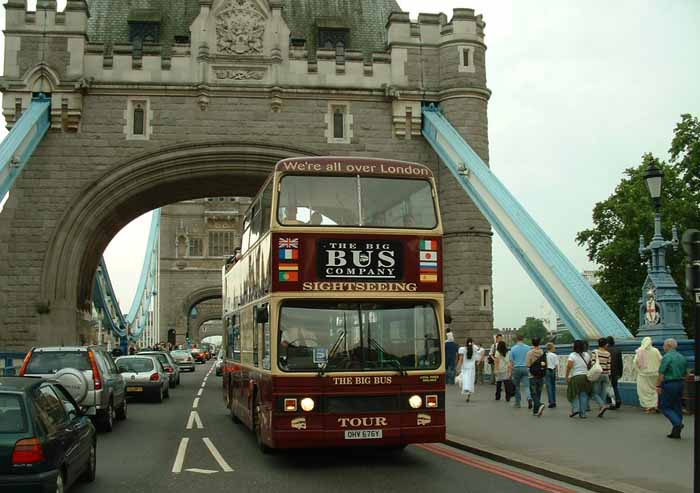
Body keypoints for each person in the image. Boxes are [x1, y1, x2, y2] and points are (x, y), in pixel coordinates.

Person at [656, 338, 688, 439]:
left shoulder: (667, 357)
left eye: (664, 345)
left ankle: (677, 423)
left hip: (669, 384)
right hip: (680, 383)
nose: (663, 347)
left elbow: (661, 373)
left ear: (668, 346)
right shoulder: (682, 357)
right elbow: (685, 374)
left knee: (665, 406)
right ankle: (676, 431)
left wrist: (658, 386)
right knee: (677, 406)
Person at [633, 336, 662, 413]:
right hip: (655, 374)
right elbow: (661, 359)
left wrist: (638, 370)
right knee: (653, 390)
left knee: (644, 391)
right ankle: (654, 405)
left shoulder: (640, 351)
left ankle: (648, 406)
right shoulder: (655, 350)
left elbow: (635, 362)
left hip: (644, 374)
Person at [566, 340, 592, 419]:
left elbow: (569, 367)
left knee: (572, 394)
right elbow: (590, 366)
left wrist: (566, 376)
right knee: (583, 395)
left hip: (576, 377)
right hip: (585, 377)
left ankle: (576, 409)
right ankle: (583, 413)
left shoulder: (572, 355)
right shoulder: (587, 355)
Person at [508, 335, 532, 408]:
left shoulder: (513, 349)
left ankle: (518, 403)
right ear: (523, 339)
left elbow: (511, 362)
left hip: (516, 368)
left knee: (517, 386)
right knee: (527, 386)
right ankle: (529, 398)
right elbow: (530, 359)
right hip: (525, 368)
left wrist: (510, 372)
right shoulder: (528, 348)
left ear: (516, 340)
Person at [590, 338, 611, 417]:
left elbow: (593, 363)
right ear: (605, 344)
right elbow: (608, 366)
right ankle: (601, 409)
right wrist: (609, 375)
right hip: (605, 375)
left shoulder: (594, 352)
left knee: (594, 393)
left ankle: (602, 406)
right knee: (603, 393)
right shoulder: (608, 353)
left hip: (597, 374)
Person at [526, 337, 547, 417]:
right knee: (538, 392)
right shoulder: (542, 352)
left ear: (532, 343)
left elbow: (528, 364)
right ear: (539, 342)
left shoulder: (530, 353)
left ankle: (539, 404)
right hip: (541, 375)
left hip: (532, 375)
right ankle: (536, 411)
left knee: (533, 393)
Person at [607, 336, 623, 409]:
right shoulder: (618, 350)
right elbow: (620, 363)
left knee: (608, 387)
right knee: (615, 386)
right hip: (616, 372)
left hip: (607, 371)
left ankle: (611, 402)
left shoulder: (605, 350)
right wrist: (620, 373)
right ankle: (618, 399)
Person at [545, 342, 559, 408]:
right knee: (553, 387)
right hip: (553, 370)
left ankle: (551, 402)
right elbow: (556, 365)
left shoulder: (545, 355)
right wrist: (557, 374)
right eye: (554, 347)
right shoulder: (554, 355)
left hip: (547, 371)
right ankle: (554, 401)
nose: (555, 348)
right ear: (551, 348)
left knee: (549, 387)